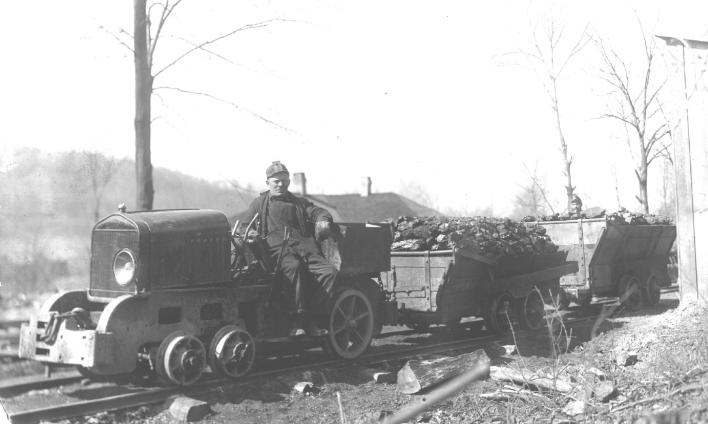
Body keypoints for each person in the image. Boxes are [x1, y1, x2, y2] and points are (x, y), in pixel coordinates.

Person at [245, 161, 338, 337]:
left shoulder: (299, 203)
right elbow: (244, 225)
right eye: (276, 181)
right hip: (276, 251)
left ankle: (314, 315)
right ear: (268, 183)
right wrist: (250, 233)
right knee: (293, 268)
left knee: (330, 272)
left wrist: (323, 220)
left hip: (304, 248)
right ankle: (297, 321)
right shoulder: (259, 204)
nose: (281, 185)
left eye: (284, 181)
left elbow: (318, 211)